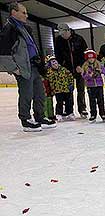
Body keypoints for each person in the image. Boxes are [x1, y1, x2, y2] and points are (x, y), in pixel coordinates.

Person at [0, 2, 56, 132]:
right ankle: (26, 120)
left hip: (34, 66)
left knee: (40, 93)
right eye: (23, 12)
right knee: (26, 94)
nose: (27, 15)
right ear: (14, 12)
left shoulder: (26, 28)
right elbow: (3, 52)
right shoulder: (9, 29)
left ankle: (40, 116)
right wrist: (14, 68)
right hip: (24, 68)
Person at [54, 23, 88, 118]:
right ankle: (69, 110)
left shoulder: (79, 39)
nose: (62, 36)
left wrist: (81, 66)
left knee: (81, 90)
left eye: (64, 33)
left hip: (79, 69)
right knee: (68, 91)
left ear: (68, 31)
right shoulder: (58, 40)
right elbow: (58, 56)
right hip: (66, 70)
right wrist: (62, 68)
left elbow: (85, 54)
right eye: (60, 34)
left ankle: (82, 109)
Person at [81, 50, 105, 123]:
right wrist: (89, 76)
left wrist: (100, 70)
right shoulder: (85, 67)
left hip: (99, 86)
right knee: (92, 101)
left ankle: (102, 114)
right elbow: (83, 76)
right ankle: (93, 114)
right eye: (89, 58)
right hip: (90, 86)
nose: (91, 59)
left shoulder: (98, 65)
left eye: (92, 58)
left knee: (101, 101)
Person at [46, 55, 75, 121]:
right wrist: (53, 89)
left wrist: (71, 84)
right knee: (59, 102)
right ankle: (59, 114)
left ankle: (70, 112)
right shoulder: (50, 72)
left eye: (56, 63)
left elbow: (70, 76)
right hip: (58, 91)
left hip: (66, 89)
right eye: (53, 64)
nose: (55, 65)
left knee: (69, 102)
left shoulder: (63, 69)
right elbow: (50, 82)